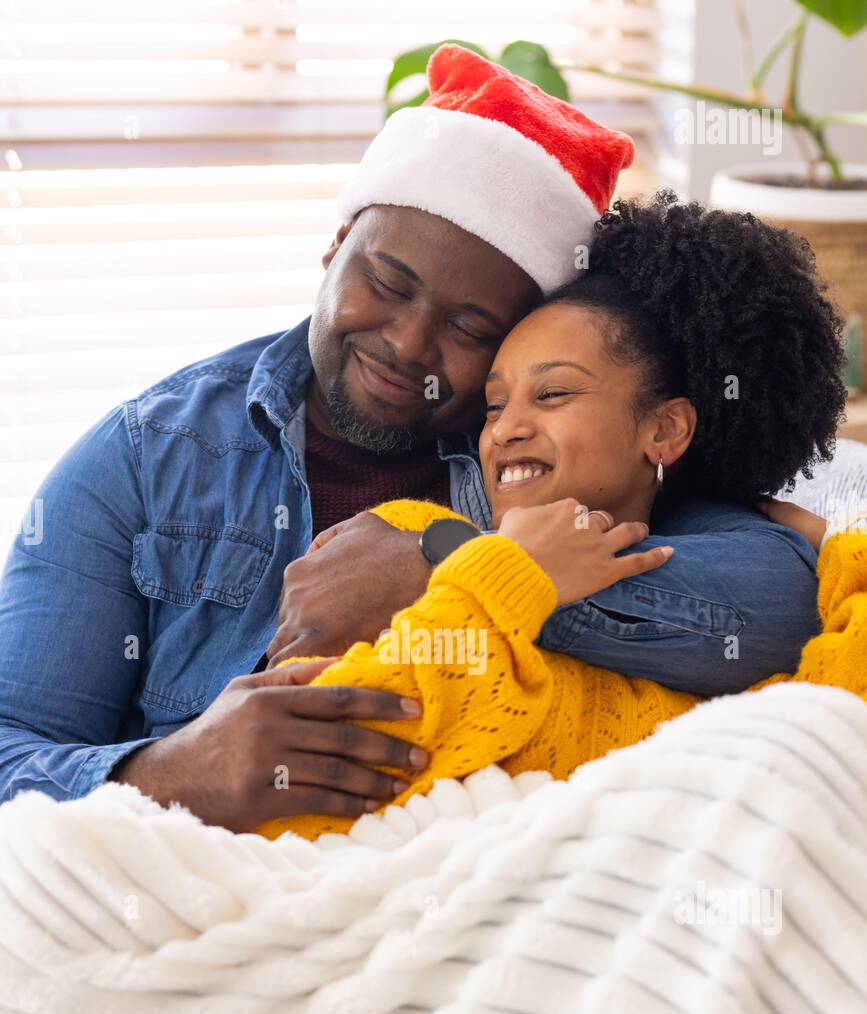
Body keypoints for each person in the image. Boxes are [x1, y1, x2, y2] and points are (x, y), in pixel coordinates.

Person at [0, 48, 831, 833]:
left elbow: (775, 604)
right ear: (334, 248)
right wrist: (177, 772)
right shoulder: (153, 457)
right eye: (386, 283)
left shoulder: (533, 449)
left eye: (471, 327)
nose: (405, 343)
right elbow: (14, 743)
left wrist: (450, 565)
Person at [251, 193, 857, 842]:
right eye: (492, 405)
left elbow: (820, 703)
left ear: (664, 429)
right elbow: (319, 739)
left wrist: (479, 572)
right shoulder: (402, 529)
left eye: (552, 394)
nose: (506, 429)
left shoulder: (750, 561)